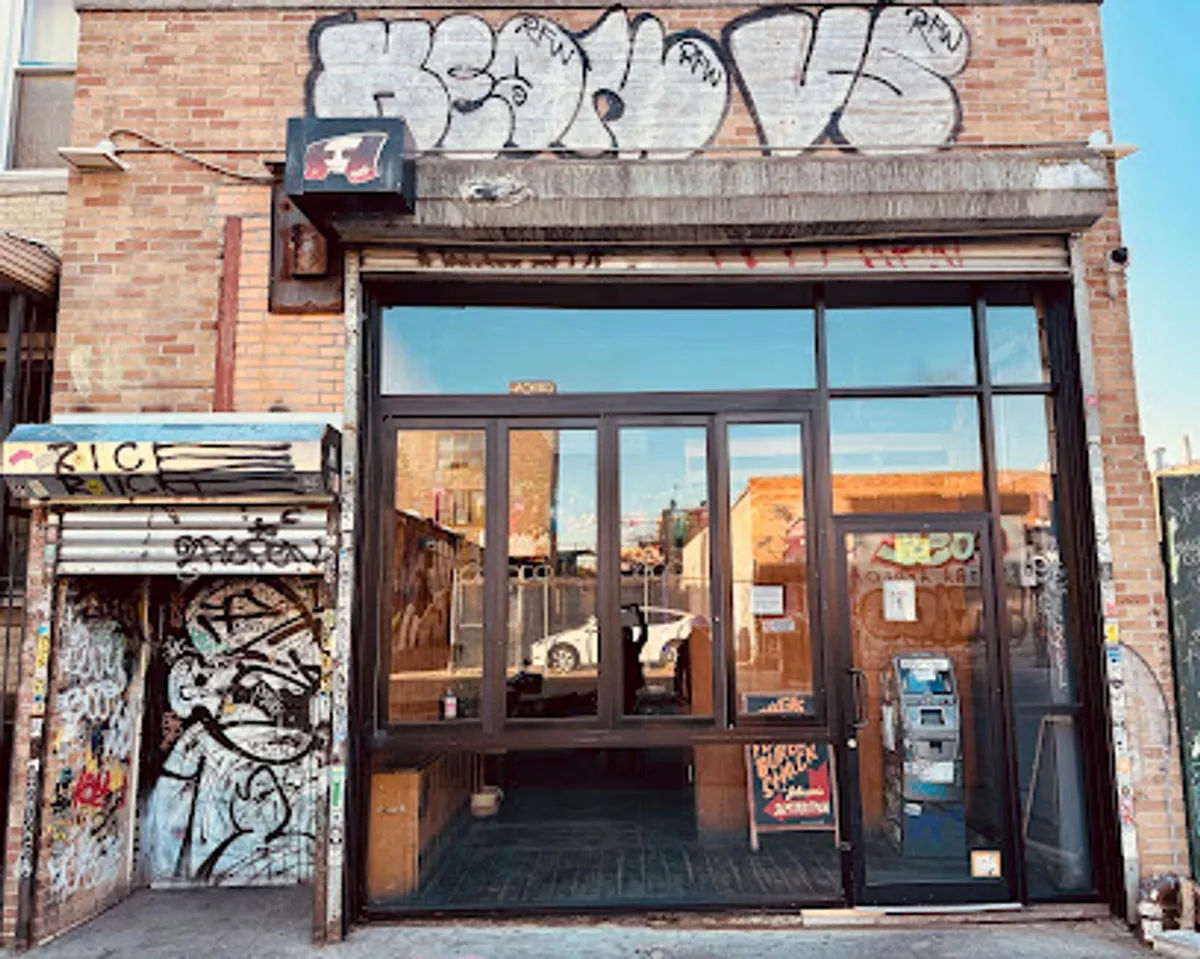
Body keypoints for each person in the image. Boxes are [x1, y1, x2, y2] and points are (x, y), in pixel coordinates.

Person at [622, 604, 649, 714]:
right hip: (628, 679)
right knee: (629, 702)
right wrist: (639, 615)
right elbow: (644, 635)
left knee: (628, 702)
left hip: (628, 679)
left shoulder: (628, 648)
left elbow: (644, 635)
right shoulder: (632, 648)